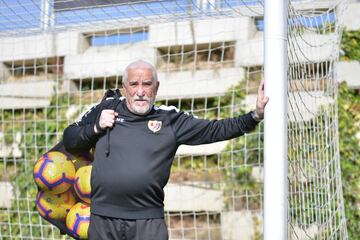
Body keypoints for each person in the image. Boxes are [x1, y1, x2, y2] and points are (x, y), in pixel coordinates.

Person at [63, 60, 269, 240]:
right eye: (134, 84)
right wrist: (95, 128)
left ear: (157, 87)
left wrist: (255, 116)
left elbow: (214, 130)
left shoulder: (170, 119)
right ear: (124, 86)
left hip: (147, 222)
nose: (140, 91)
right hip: (103, 220)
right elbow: (70, 139)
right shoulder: (105, 109)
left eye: (147, 84)